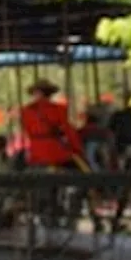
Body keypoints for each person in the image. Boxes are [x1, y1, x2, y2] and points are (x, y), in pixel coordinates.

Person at [20, 79, 86, 228]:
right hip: (58, 154)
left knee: (32, 184)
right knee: (84, 179)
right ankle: (73, 218)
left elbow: (28, 132)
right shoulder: (59, 109)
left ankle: (41, 215)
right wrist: (78, 150)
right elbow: (68, 132)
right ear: (49, 94)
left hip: (36, 155)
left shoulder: (25, 112)